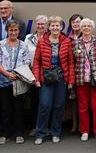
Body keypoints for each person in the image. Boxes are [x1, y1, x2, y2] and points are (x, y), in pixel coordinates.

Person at [32, 16, 74, 145]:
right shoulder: (42, 41)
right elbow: (36, 61)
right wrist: (37, 78)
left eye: (58, 25)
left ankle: (56, 132)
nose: (55, 28)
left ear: (61, 27)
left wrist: (71, 80)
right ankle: (40, 133)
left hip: (61, 77)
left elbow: (70, 62)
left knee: (59, 106)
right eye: (53, 25)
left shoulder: (66, 41)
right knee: (45, 105)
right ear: (49, 27)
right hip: (46, 77)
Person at [71, 18, 96, 141]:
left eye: (88, 26)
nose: (86, 28)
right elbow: (73, 62)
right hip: (81, 79)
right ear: (81, 28)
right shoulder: (75, 43)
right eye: (84, 26)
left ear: (92, 28)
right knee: (83, 106)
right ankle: (85, 131)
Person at [0, 20, 32, 144]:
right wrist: (7, 73)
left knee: (19, 108)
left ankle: (19, 133)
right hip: (5, 80)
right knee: (5, 108)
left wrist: (17, 73)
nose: (13, 32)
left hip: (19, 80)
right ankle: (5, 134)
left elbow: (27, 61)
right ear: (7, 31)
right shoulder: (0, 44)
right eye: (11, 30)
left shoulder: (23, 45)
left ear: (19, 31)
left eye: (16, 30)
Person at [24, 14, 47, 137]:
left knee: (45, 102)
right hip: (32, 73)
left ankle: (45, 126)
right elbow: (24, 53)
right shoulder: (29, 38)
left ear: (46, 25)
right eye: (38, 24)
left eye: (43, 24)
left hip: (47, 74)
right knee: (34, 101)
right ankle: (34, 126)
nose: (40, 26)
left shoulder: (50, 37)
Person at [66, 13, 83, 134]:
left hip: (83, 73)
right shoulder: (67, 39)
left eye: (78, 22)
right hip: (72, 73)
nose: (76, 24)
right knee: (72, 100)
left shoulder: (87, 37)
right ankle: (74, 124)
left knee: (83, 101)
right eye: (73, 22)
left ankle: (83, 124)